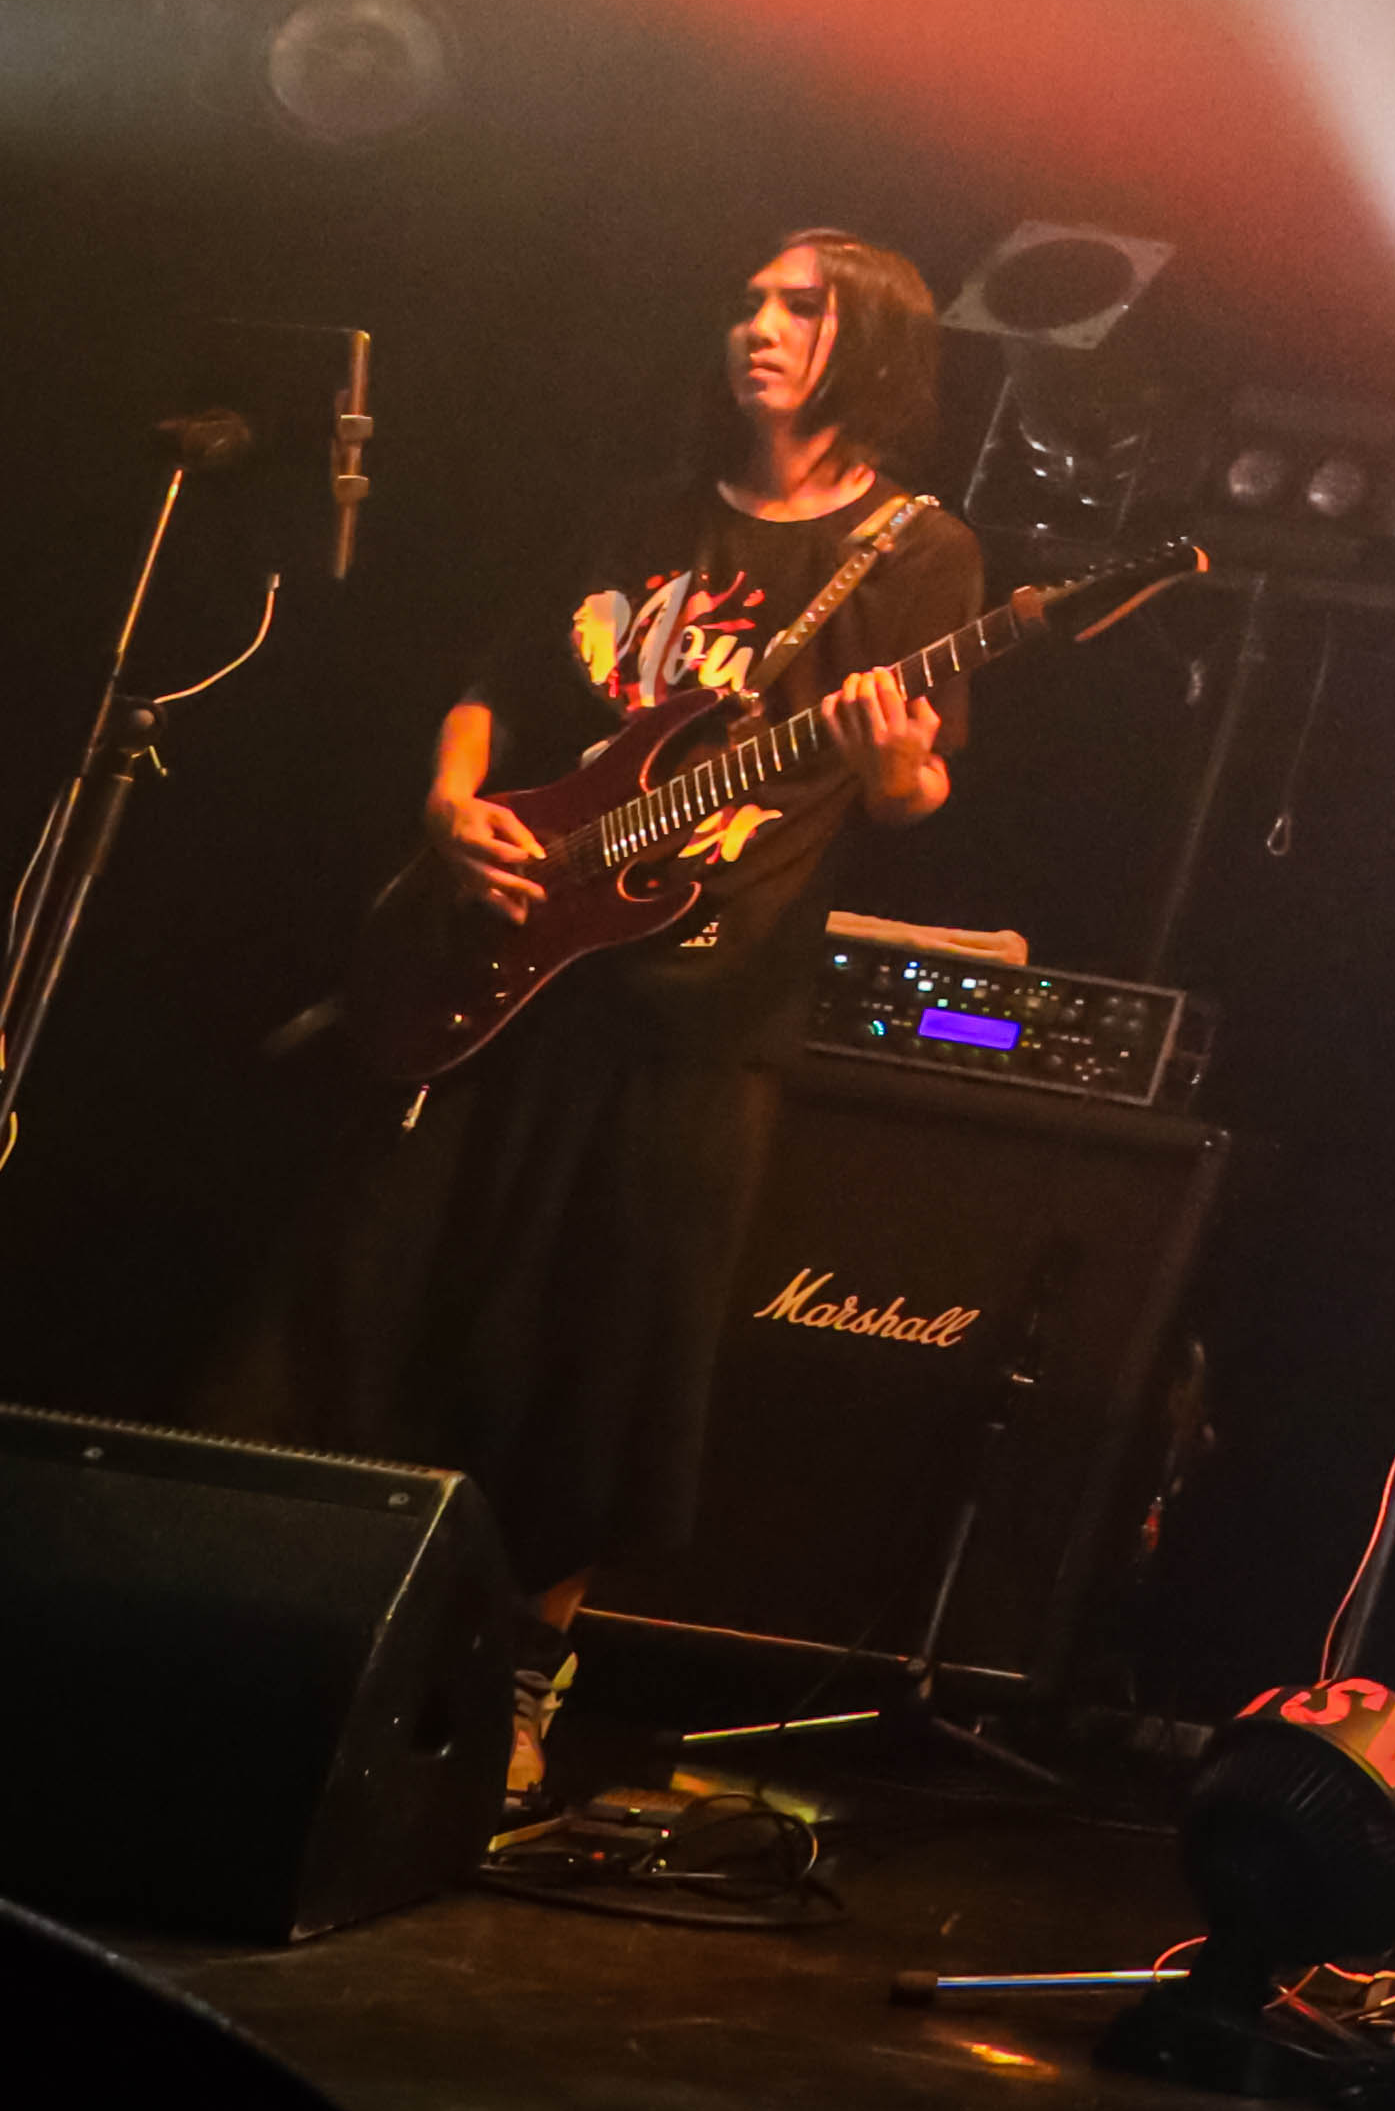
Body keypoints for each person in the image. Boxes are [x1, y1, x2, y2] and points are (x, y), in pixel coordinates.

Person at [263, 233, 979, 1806]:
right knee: (387, 1304)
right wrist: (451, 808)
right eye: (749, 301)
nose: (758, 325)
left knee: (600, 1357)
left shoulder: (918, 554)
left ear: (874, 344)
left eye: (802, 307)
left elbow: (916, 791)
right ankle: (317, 1634)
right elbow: (496, 681)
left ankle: (515, 1685)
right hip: (506, 961)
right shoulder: (638, 515)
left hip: (699, 1012)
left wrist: (893, 766)